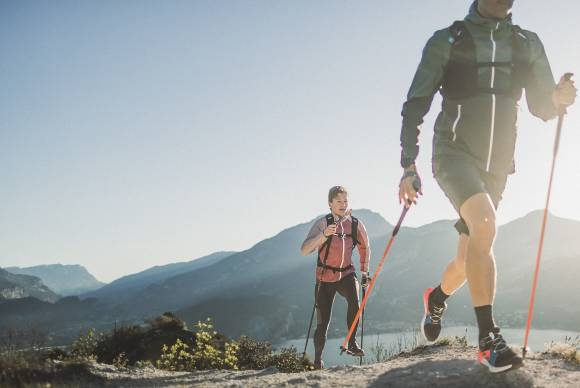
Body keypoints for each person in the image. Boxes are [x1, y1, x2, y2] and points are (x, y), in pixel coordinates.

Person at [398, 0, 576, 373]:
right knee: (484, 225)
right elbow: (416, 103)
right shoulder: (448, 40)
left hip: (498, 167)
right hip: (453, 154)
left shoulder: (526, 43)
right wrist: (409, 166)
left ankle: (436, 298)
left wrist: (558, 100)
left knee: (467, 259)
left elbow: (542, 106)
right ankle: (487, 340)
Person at [300, 186, 371, 369]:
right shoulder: (323, 223)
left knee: (355, 302)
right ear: (330, 203)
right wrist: (324, 235)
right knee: (323, 323)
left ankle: (352, 343)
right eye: (338, 201)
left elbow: (365, 246)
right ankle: (317, 361)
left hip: (347, 273)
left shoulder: (355, 224)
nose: (342, 204)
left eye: (345, 201)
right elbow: (304, 250)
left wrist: (364, 272)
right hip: (325, 277)